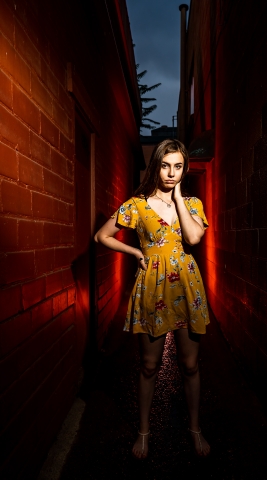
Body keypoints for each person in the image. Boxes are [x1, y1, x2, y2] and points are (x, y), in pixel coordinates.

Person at [94, 139, 210, 458]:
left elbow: (194, 237)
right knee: (148, 365)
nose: (171, 173)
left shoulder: (193, 204)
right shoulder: (136, 205)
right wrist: (134, 251)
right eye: (165, 165)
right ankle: (144, 433)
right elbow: (101, 235)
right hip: (152, 287)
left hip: (187, 289)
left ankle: (195, 429)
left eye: (178, 166)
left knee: (190, 364)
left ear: (185, 169)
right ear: (155, 165)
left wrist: (177, 198)